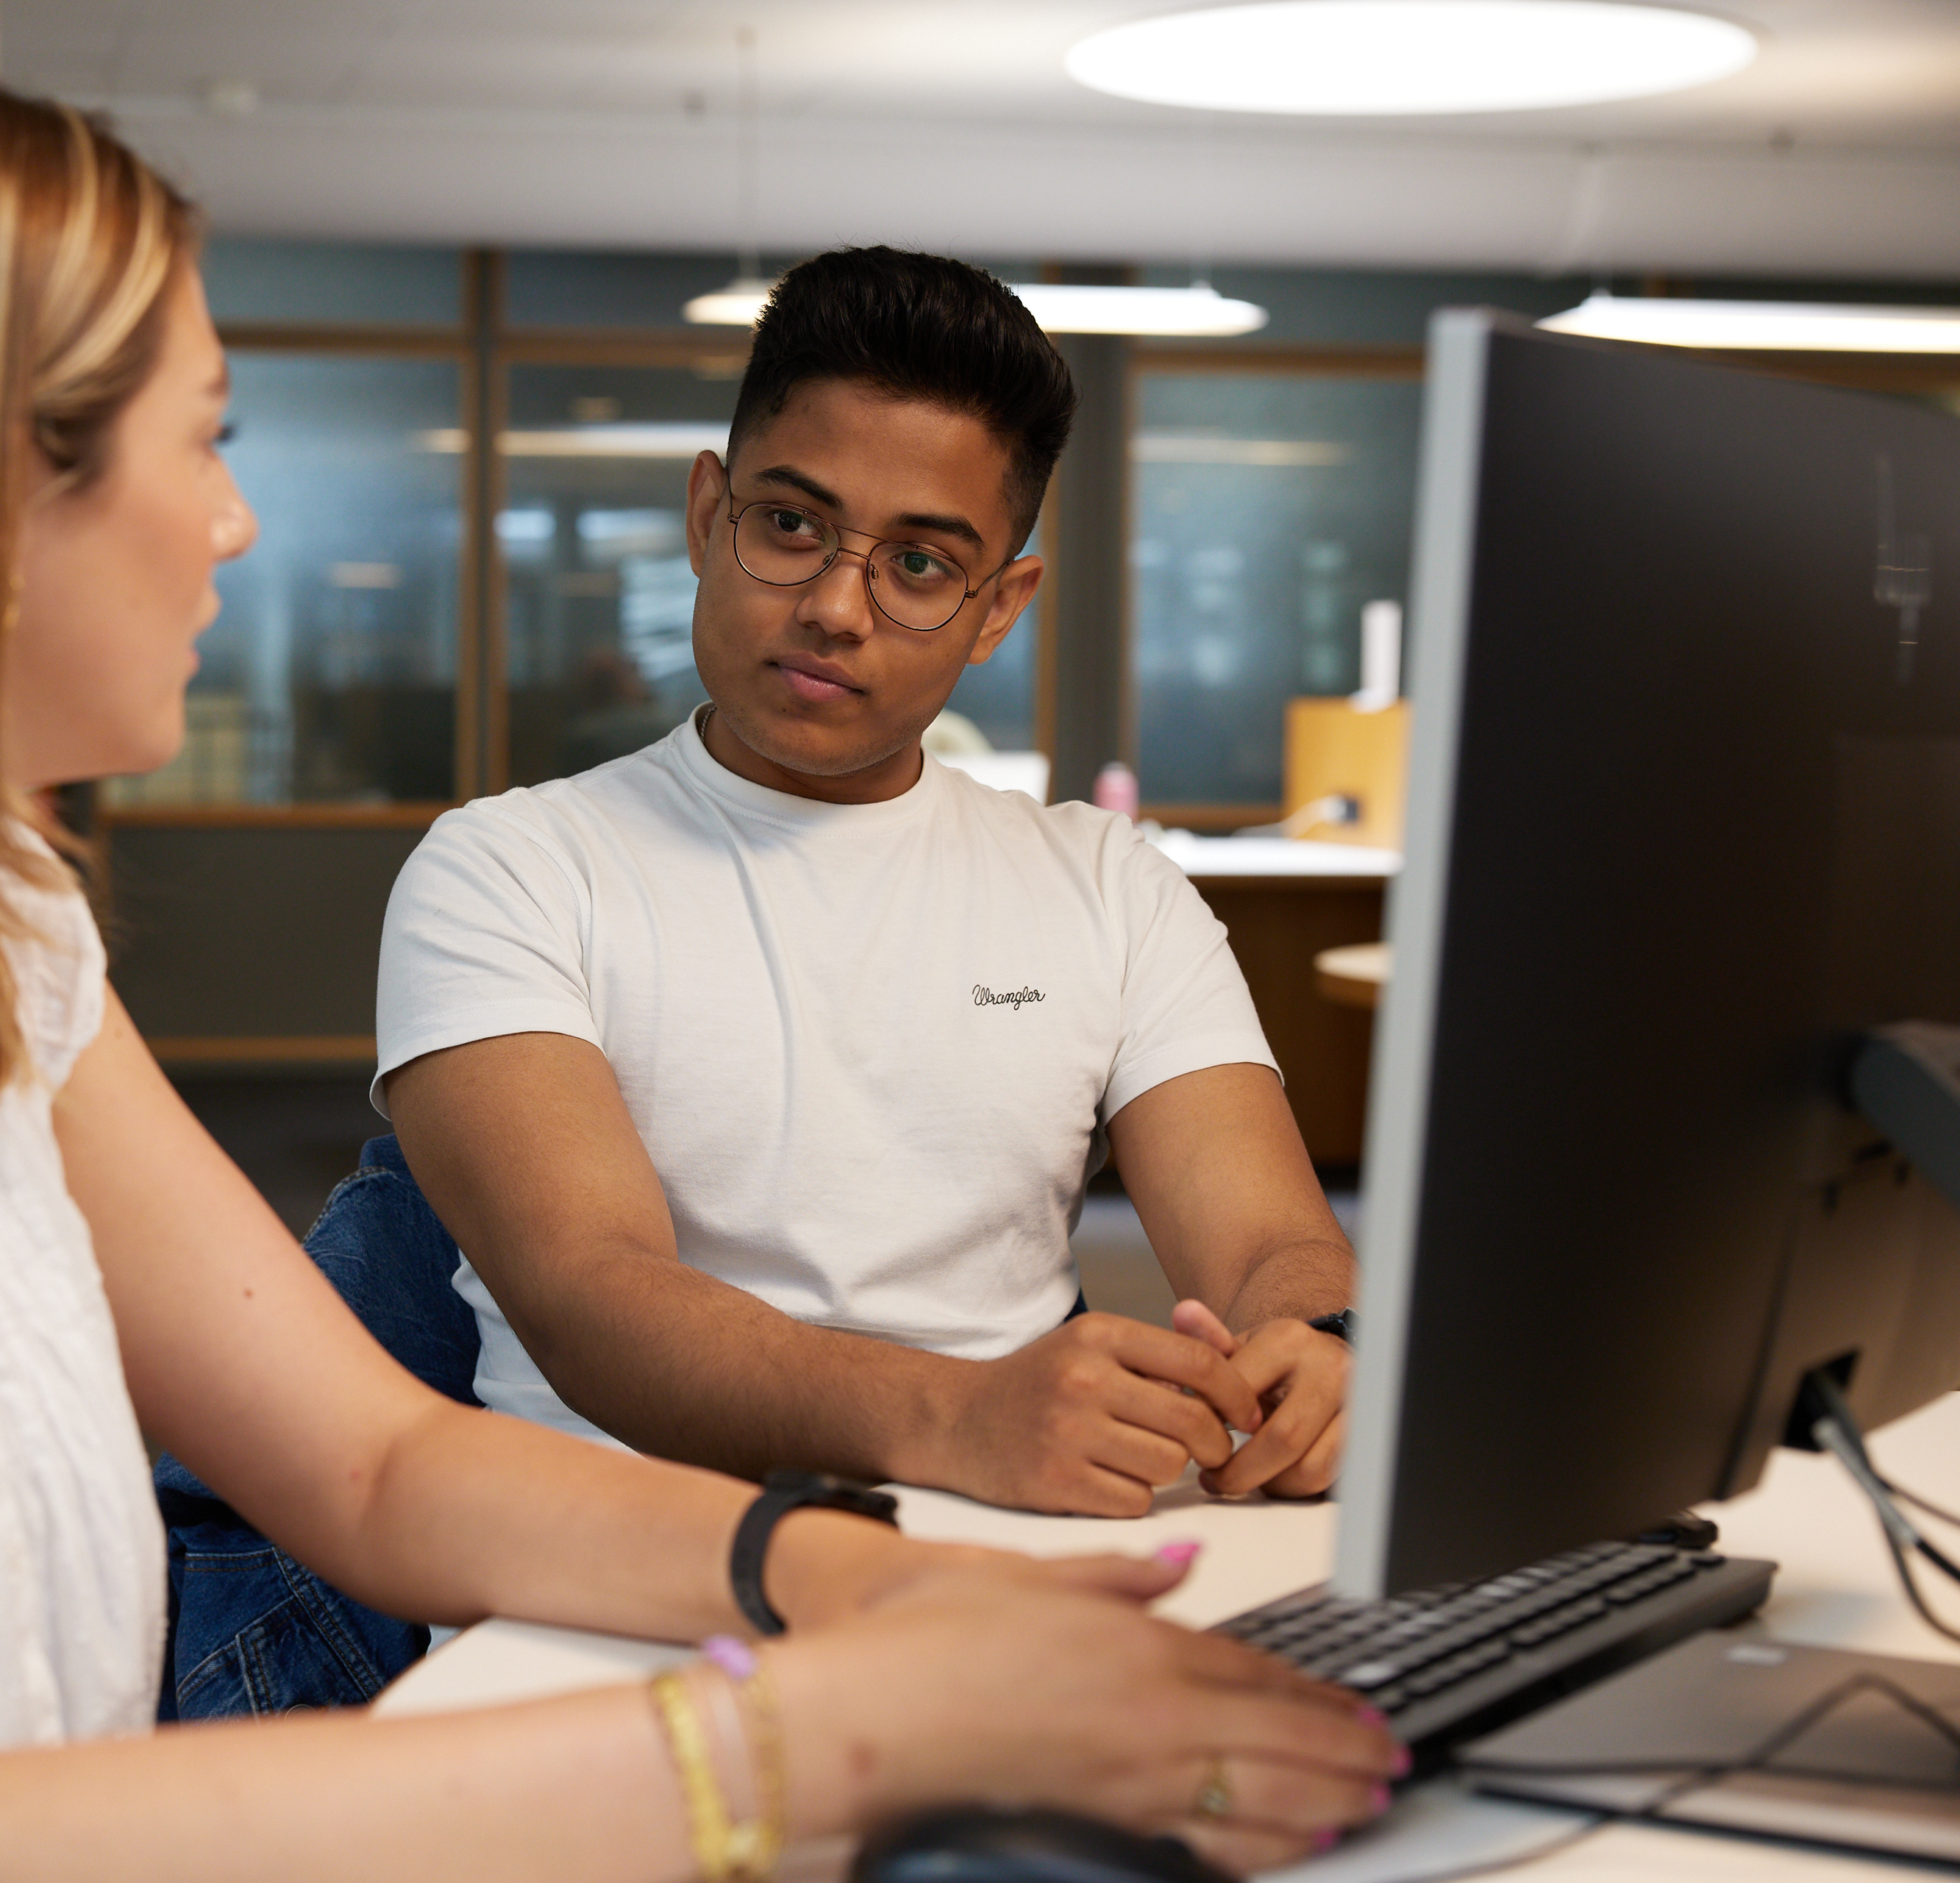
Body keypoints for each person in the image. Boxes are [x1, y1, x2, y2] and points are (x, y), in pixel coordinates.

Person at [0, 60, 1394, 1882]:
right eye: (204, 440)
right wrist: (821, 1743)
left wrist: (877, 1585)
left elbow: (386, 1471)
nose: (235, 522)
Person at [377, 249, 1358, 1520]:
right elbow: (589, 1298)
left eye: (920, 565)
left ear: (999, 608)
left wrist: (1312, 1346)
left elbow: (1269, 1247)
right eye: (792, 526)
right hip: (612, 1582)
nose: (838, 606)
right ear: (705, 516)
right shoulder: (511, 869)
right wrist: (959, 1415)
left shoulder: (1111, 887)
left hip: (1017, 1549)